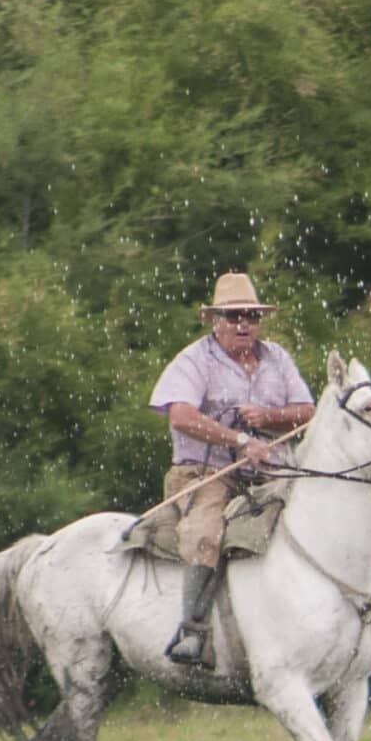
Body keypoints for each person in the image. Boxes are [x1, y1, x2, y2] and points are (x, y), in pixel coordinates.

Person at [148, 272, 315, 665]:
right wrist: (239, 440)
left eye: (251, 316)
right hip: (206, 474)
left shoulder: (278, 358)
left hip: (272, 473)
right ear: (214, 319)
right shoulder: (193, 360)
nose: (244, 324)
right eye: (234, 315)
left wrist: (268, 416)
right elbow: (182, 416)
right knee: (206, 532)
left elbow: (307, 412)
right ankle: (192, 630)